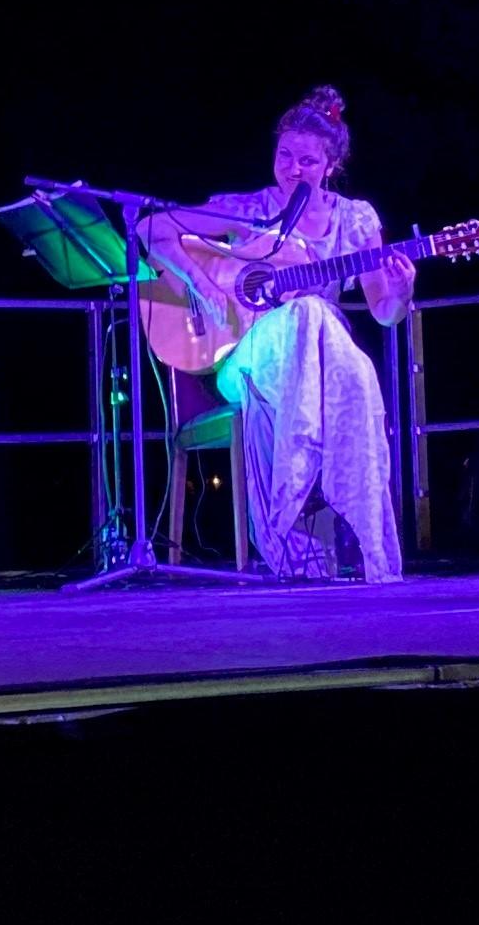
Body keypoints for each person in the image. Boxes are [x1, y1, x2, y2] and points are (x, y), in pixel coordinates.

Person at [146, 85, 414, 583]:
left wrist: (401, 293)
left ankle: (353, 535)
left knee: (333, 344)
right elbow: (152, 229)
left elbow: (384, 313)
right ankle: (298, 522)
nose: (293, 168)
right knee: (310, 314)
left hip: (323, 369)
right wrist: (203, 285)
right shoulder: (248, 211)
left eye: (307, 161)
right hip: (243, 360)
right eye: (285, 155)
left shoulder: (355, 222)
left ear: (331, 164)